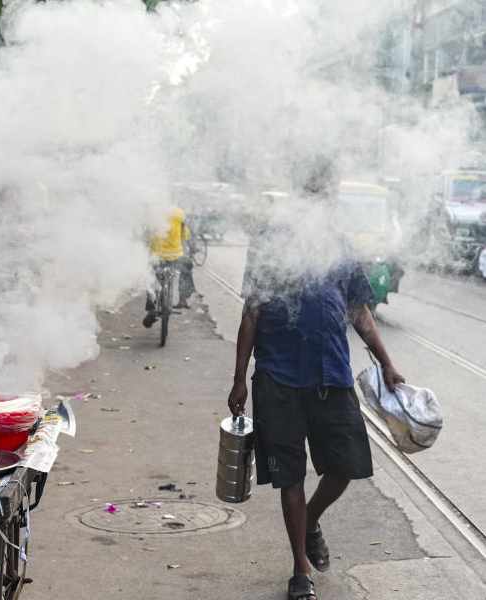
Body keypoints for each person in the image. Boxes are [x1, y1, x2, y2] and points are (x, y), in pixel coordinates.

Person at [226, 157, 404, 600]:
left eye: (327, 193)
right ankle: (300, 569)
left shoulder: (339, 244)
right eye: (315, 191)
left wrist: (386, 362)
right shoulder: (270, 241)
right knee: (289, 476)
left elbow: (359, 311)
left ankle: (311, 520)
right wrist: (239, 379)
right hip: (278, 378)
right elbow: (252, 311)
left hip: (332, 374)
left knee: (345, 467)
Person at [143, 206, 192, 328]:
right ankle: (183, 297)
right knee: (187, 267)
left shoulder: (152, 213)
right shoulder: (179, 213)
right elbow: (185, 235)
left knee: (149, 275)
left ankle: (151, 306)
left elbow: (147, 236)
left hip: (157, 256)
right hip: (176, 256)